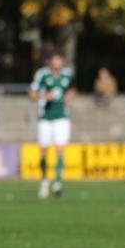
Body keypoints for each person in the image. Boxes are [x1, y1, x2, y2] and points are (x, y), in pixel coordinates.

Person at [30, 51, 75, 198]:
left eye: (59, 60)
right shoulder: (42, 75)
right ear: (50, 62)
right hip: (45, 117)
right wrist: (44, 96)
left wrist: (69, 98)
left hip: (62, 117)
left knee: (60, 149)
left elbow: (71, 89)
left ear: (62, 61)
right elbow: (32, 94)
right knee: (44, 152)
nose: (57, 63)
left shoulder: (68, 75)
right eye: (54, 60)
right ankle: (44, 180)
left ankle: (57, 182)